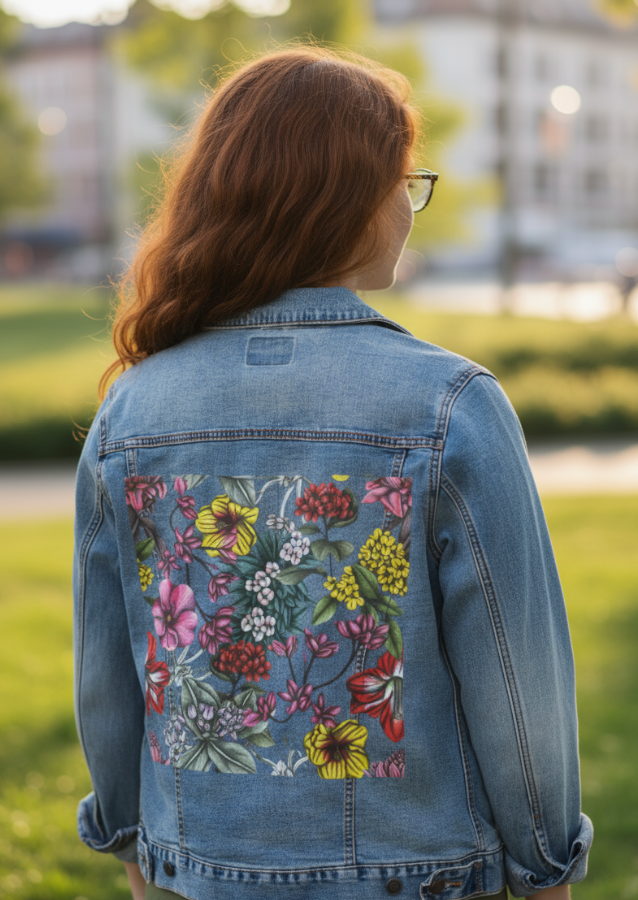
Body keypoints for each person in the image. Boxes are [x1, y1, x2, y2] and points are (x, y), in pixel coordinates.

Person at [73, 46, 592, 900]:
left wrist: (134, 842)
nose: (408, 204)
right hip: (418, 878)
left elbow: (106, 666)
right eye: (404, 179)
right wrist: (545, 866)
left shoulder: (133, 412)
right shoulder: (450, 406)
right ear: (345, 198)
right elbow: (516, 673)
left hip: (197, 872)